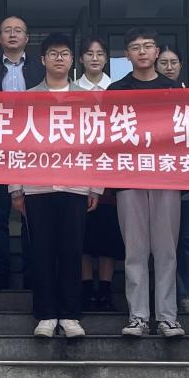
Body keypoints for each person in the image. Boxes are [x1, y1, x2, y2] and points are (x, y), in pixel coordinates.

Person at [10, 33, 100, 338]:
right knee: (42, 252)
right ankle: (46, 314)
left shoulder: (87, 100)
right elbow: (16, 144)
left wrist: (96, 187)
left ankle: (71, 315)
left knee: (72, 251)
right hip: (37, 188)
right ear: (42, 60)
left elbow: (96, 144)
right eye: (53, 54)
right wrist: (15, 187)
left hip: (76, 186)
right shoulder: (28, 98)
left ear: (72, 60)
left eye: (64, 54)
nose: (59, 59)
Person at [110, 27, 185, 339]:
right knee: (135, 250)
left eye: (148, 46)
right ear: (126, 54)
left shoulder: (174, 89)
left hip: (166, 175)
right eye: (135, 47)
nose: (142, 52)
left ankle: (168, 317)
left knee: (166, 250)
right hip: (129, 176)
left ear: (157, 52)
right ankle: (138, 316)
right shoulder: (116, 91)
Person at [0, 16, 44, 291]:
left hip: (32, 150)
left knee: (32, 213)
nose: (13, 35)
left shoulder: (40, 69)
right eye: (7, 31)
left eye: (18, 31)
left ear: (27, 38)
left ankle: (32, 272)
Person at [76, 36, 122, 311]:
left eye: (100, 53)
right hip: (79, 168)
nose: (94, 58)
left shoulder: (117, 90)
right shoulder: (72, 90)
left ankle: (104, 290)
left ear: (106, 58)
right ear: (81, 58)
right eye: (89, 53)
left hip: (109, 168)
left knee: (107, 233)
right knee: (83, 234)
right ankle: (84, 288)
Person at [159, 44, 189, 315]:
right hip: (154, 183)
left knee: (184, 242)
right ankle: (157, 297)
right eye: (163, 62)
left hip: (184, 183)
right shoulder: (146, 96)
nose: (169, 67)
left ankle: (185, 294)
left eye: (173, 62)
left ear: (181, 65)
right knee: (156, 245)